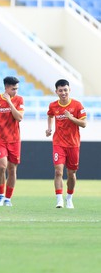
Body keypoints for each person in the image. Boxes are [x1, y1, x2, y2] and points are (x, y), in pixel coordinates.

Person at [45, 79, 87, 209]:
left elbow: (84, 124)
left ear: (69, 90)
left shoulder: (77, 105)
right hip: (58, 143)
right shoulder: (53, 105)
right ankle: (59, 200)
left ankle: (69, 198)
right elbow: (50, 115)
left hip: (73, 144)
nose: (63, 93)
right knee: (58, 171)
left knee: (71, 174)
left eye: (65, 90)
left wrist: (71, 117)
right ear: (56, 91)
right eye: (60, 90)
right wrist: (49, 128)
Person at [0, 76, 24, 207]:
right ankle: (0, 194)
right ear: (6, 88)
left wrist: (10, 102)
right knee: (2, 166)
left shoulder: (19, 100)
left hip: (14, 140)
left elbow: (19, 117)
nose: (16, 91)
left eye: (17, 89)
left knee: (12, 169)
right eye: (13, 89)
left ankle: (8, 198)